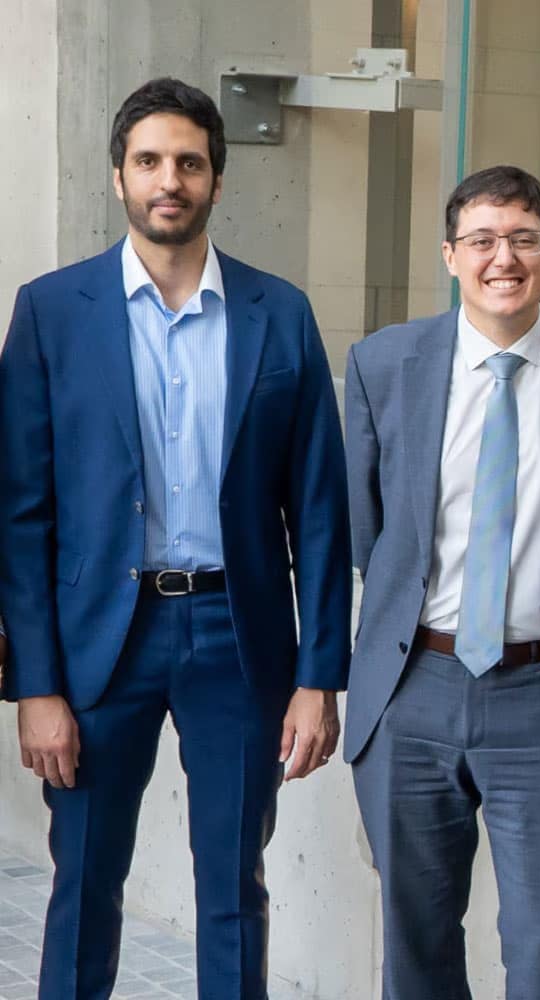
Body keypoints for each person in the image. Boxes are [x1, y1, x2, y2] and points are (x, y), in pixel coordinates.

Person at [0, 77, 351, 999]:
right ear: (118, 176)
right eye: (149, 161)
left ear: (216, 181)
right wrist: (35, 685)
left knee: (233, 887)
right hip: (96, 646)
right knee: (84, 883)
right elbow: (21, 515)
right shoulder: (51, 312)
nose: (170, 180)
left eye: (189, 163)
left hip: (237, 638)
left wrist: (319, 675)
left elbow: (319, 510)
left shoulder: (280, 314)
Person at [342, 164, 540, 999]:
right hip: (411, 689)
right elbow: (369, 536)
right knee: (414, 935)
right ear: (450, 254)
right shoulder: (383, 364)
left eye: (524, 239)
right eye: (483, 240)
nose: (504, 258)